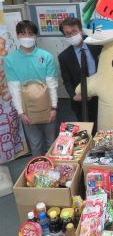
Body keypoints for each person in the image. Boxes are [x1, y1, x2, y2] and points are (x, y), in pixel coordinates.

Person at [4, 20, 58, 157]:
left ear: (35, 35)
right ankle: (38, 170)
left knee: (51, 140)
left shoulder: (46, 56)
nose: (27, 37)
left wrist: (54, 107)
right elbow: (14, 88)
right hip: (27, 108)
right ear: (17, 35)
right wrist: (21, 112)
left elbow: (52, 84)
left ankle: (54, 168)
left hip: (47, 105)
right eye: (23, 33)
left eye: (30, 33)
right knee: (35, 142)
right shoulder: (10, 59)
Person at [58, 17, 102, 132]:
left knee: (103, 126)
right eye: (67, 34)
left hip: (101, 95)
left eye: (74, 31)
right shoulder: (64, 57)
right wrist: (73, 95)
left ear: (81, 30)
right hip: (80, 99)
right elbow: (66, 80)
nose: (72, 35)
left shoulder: (97, 45)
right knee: (86, 130)